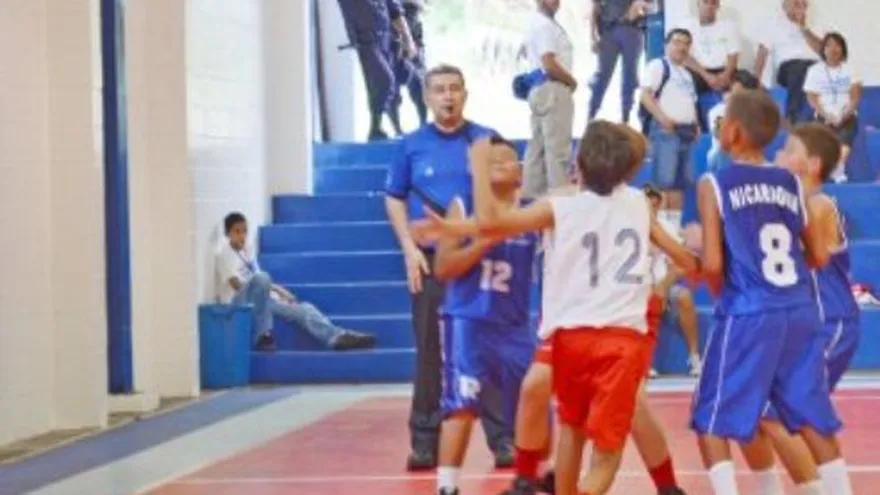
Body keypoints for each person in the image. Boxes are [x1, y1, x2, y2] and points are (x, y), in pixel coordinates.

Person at [413, 121, 700, 495]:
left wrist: (474, 179)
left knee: (584, 424)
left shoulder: (562, 205)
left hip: (579, 333)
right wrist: (697, 263)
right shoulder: (637, 203)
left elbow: (494, 222)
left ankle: (664, 487)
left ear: (581, 162)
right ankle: (534, 478)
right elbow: (685, 259)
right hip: (613, 334)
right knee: (601, 447)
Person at [690, 89, 848, 495]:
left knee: (711, 417)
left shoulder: (714, 183)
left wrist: (721, 289)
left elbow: (711, 264)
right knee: (809, 416)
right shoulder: (790, 183)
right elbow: (816, 256)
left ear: (733, 133)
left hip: (748, 309)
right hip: (798, 308)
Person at [384, 64, 512, 471]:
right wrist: (409, 248)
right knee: (429, 353)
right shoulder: (410, 146)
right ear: (427, 97)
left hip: (478, 261)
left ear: (465, 94)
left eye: (455, 88)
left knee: (488, 353)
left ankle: (504, 440)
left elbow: (509, 189)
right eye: (439, 89)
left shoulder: (485, 139)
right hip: (432, 261)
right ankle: (424, 442)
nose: (448, 96)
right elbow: (394, 198)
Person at [742, 124, 860, 495]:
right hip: (800, 327)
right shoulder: (787, 204)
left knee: (781, 414)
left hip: (829, 322)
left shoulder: (818, 205)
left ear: (810, 164)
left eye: (787, 149)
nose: (777, 155)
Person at [434, 136, 540, 495]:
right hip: (469, 322)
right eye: (488, 160)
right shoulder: (462, 206)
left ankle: (536, 476)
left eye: (505, 160)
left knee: (535, 399)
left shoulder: (532, 211)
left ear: (520, 172)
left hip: (514, 325)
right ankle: (447, 486)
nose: (496, 164)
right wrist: (483, 243)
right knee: (462, 406)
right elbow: (444, 268)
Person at [216, 213, 375, 351]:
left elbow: (259, 278)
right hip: (240, 303)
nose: (242, 235)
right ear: (227, 233)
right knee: (262, 278)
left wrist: (278, 291)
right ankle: (263, 334)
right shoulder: (224, 255)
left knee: (305, 309)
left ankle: (337, 337)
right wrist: (266, 293)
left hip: (261, 299)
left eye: (244, 231)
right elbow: (237, 286)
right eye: (237, 232)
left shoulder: (247, 249)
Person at [640, 28, 699, 229]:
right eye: (677, 41)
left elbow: (690, 101)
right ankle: (661, 231)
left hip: (687, 132)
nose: (681, 47)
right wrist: (662, 118)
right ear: (667, 44)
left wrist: (696, 124)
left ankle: (674, 230)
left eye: (686, 43)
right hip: (667, 131)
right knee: (663, 182)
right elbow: (645, 95)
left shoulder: (686, 74)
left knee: (680, 184)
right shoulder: (658, 65)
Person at [336, 0, 416, 140]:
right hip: (365, 41)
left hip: (387, 38)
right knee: (384, 80)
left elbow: (396, 11)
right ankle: (375, 127)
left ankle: (389, 128)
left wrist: (407, 39)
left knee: (393, 83)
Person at [521, 0, 576, 198]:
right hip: (554, 87)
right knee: (558, 151)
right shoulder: (544, 25)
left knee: (537, 149)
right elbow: (549, 62)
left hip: (539, 89)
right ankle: (560, 204)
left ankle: (531, 200)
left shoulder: (534, 22)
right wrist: (571, 81)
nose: (556, 2)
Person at [644, 185, 701, 377]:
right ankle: (646, 361)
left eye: (654, 205)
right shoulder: (630, 225)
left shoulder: (667, 228)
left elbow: (681, 265)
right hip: (638, 287)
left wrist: (664, 285)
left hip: (665, 283)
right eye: (647, 204)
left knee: (684, 296)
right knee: (644, 300)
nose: (651, 208)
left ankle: (694, 357)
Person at [668, 0, 748, 131]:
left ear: (718, 6)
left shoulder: (728, 26)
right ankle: (699, 129)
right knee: (683, 85)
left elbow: (733, 55)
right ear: (698, 4)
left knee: (746, 81)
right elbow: (685, 55)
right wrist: (706, 75)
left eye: (713, 3)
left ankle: (739, 128)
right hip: (698, 71)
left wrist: (726, 75)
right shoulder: (686, 25)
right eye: (706, 2)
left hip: (724, 70)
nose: (709, 6)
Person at [804, 32, 862, 183]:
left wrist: (845, 113)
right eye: (829, 45)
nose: (833, 49)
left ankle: (838, 166)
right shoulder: (815, 70)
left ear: (843, 49)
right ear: (823, 49)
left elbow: (855, 97)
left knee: (848, 130)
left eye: (837, 45)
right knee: (817, 134)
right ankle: (821, 170)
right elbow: (812, 98)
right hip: (823, 114)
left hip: (846, 113)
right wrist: (826, 115)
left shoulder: (851, 70)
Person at [754, 0, 822, 124]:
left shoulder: (813, 25)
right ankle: (793, 116)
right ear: (784, 6)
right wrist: (756, 80)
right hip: (788, 69)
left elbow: (823, 51)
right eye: (796, 3)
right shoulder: (774, 25)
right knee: (800, 69)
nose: (800, 7)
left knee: (815, 71)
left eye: (803, 4)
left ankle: (815, 119)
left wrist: (804, 28)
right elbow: (761, 54)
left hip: (813, 68)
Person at [589, 0, 650, 122]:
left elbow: (648, 5)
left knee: (630, 75)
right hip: (608, 30)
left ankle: (625, 118)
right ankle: (591, 115)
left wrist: (639, 7)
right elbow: (595, 8)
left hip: (632, 28)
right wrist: (592, 36)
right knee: (602, 74)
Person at [706, 71, 761, 171]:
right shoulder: (718, 111)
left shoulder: (753, 111)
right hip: (721, 155)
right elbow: (722, 137)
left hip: (745, 153)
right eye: (734, 91)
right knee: (725, 152)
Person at [390, 0, 428, 127]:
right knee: (391, 86)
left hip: (412, 20)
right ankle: (397, 130)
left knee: (419, 82)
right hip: (391, 26)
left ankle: (423, 125)